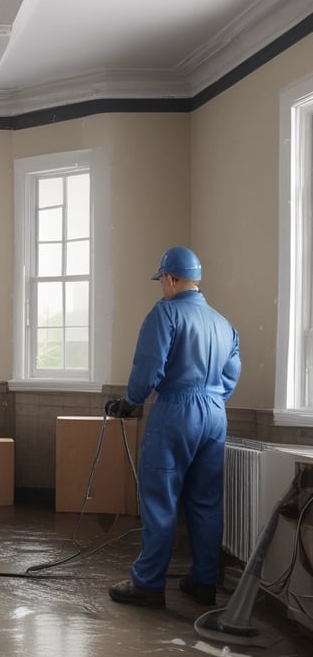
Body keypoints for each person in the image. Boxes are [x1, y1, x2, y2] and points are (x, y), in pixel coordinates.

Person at [105, 245, 241, 608]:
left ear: (170, 278)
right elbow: (231, 376)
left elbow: (148, 368)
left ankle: (149, 584)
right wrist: (210, 400)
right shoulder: (224, 323)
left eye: (161, 280)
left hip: (176, 411)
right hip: (214, 414)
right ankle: (203, 581)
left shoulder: (165, 314)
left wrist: (130, 402)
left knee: (160, 499)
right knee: (206, 502)